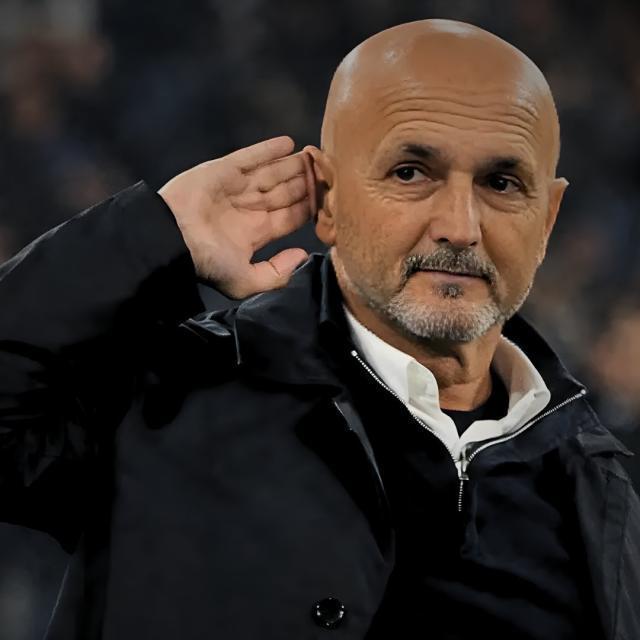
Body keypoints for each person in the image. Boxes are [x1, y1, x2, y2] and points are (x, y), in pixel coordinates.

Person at [0, 18, 638, 640]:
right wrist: (152, 236)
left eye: (501, 183)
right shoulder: (167, 396)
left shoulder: (600, 491)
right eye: (411, 173)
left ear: (547, 219)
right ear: (327, 200)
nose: (460, 227)